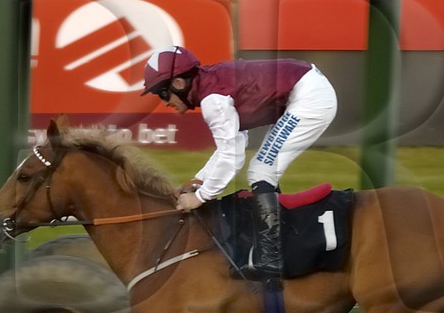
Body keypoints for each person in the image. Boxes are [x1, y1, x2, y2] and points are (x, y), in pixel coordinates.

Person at [140, 45, 338, 285]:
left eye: (162, 94)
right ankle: (276, 246)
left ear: (179, 83)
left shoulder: (214, 100)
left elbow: (232, 157)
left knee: (262, 170)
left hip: (309, 98)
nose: (165, 102)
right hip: (305, 89)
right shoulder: (211, 88)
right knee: (263, 169)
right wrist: (199, 181)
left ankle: (272, 257)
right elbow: (230, 148)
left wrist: (201, 196)